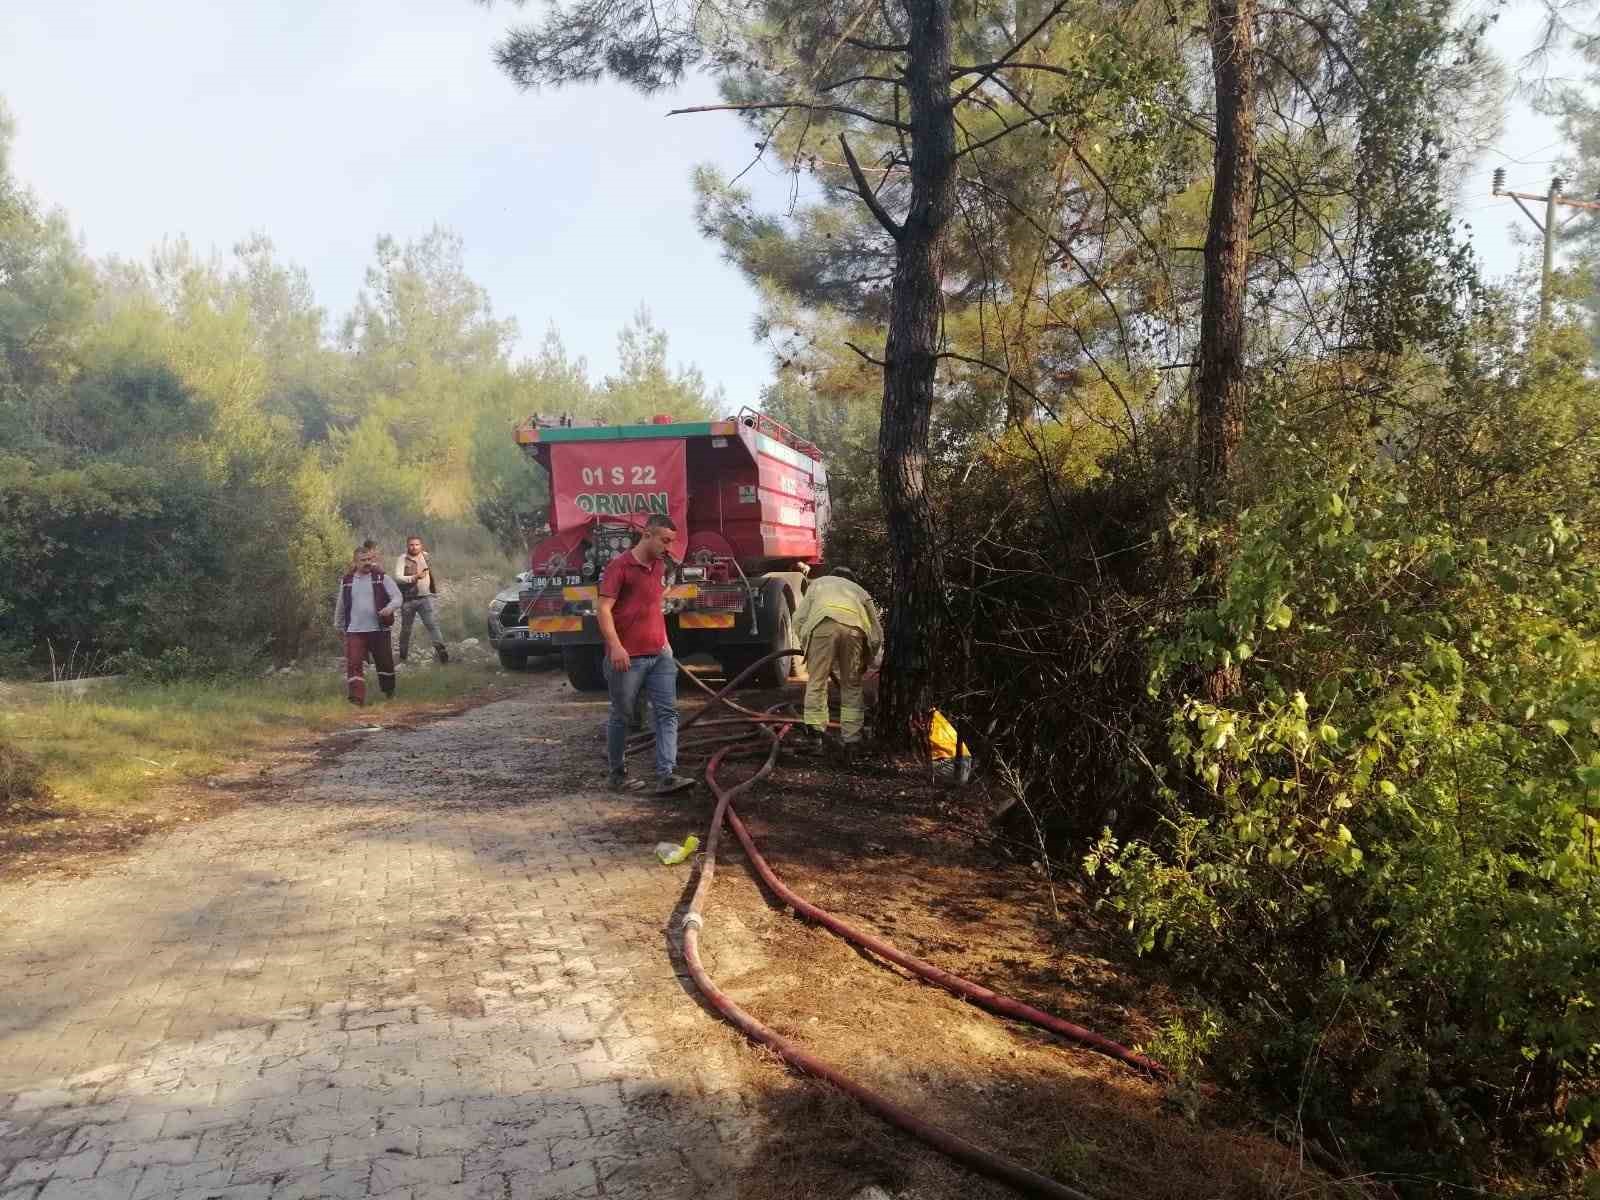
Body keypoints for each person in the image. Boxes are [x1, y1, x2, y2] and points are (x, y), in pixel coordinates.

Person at [596, 514, 695, 795]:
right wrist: (616, 646)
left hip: (660, 656)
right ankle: (617, 774)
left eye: (671, 541)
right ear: (647, 535)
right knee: (622, 716)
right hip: (628, 658)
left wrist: (665, 644)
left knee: (667, 713)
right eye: (665, 540)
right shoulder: (620, 567)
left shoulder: (660, 566)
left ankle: (667, 774)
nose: (669, 546)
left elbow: (652, 606)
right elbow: (603, 611)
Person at [792, 565, 883, 756]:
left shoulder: (818, 584)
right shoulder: (859, 590)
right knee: (852, 686)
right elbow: (876, 632)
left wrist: (807, 644)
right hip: (854, 630)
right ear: (851, 579)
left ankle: (816, 739)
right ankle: (852, 742)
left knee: (817, 682)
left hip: (822, 626)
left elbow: (798, 619)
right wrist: (869, 657)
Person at [334, 540, 402, 705]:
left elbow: (398, 597)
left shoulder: (381, 578)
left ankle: (389, 692)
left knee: (385, 662)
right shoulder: (347, 581)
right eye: (363, 560)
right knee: (354, 663)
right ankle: (356, 699)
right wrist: (338, 624)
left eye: (369, 559)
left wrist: (389, 608)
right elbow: (341, 604)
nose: (367, 563)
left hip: (379, 629)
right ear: (355, 562)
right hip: (355, 630)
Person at [395, 535, 449, 664]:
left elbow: (430, 573)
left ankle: (441, 651)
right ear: (407, 546)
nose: (414, 547)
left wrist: (433, 589)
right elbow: (398, 577)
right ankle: (403, 656)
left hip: (425, 598)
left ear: (421, 546)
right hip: (408, 600)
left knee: (432, 625)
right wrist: (414, 577)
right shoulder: (402, 559)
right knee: (406, 629)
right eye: (411, 545)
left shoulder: (425, 556)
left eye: (416, 544)